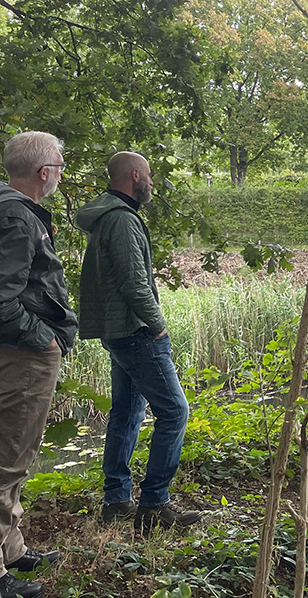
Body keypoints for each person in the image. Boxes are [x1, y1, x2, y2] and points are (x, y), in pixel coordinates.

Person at [76, 151, 201, 535]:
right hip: (136, 333)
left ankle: (116, 501)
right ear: (134, 175)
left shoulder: (106, 216)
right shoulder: (123, 220)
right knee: (175, 412)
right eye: (148, 175)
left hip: (118, 332)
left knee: (127, 413)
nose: (151, 183)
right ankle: (154, 504)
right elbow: (135, 284)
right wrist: (158, 326)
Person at [0, 131, 77, 598]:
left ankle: (11, 549)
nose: (61, 176)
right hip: (22, 354)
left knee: (16, 455)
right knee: (9, 459)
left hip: (18, 350)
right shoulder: (17, 216)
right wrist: (43, 337)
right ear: (44, 172)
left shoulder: (7, 206)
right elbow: (2, 299)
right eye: (60, 168)